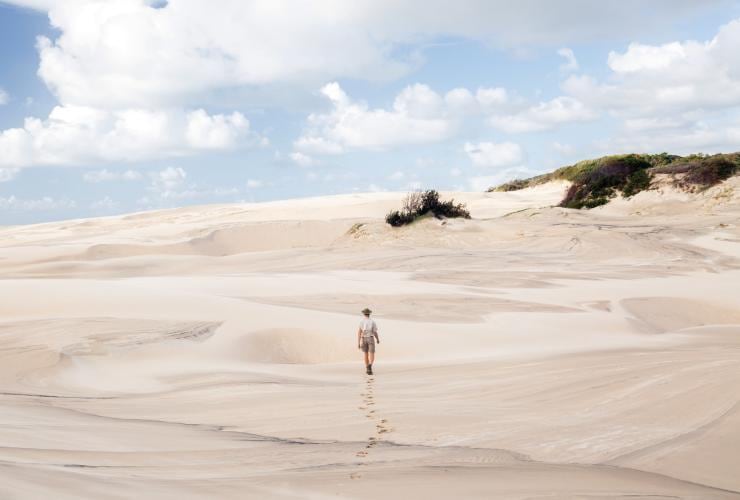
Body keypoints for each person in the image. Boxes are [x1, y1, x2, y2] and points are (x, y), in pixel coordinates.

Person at [357, 308, 380, 375]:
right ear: (369, 314)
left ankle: (367, 368)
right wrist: (377, 339)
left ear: (364, 314)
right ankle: (370, 365)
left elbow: (359, 332)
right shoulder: (372, 322)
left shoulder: (361, 322)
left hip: (363, 338)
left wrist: (358, 342)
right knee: (372, 353)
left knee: (366, 354)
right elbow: (375, 332)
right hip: (370, 338)